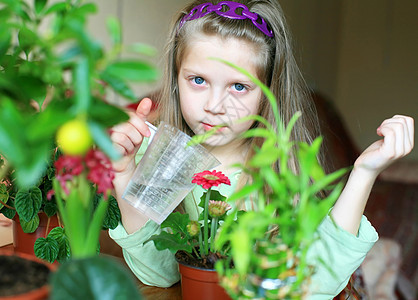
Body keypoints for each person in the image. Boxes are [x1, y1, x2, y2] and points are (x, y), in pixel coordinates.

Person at [109, 1, 414, 298]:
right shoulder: (157, 154)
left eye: (238, 87)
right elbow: (159, 273)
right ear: (176, 80)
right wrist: (124, 174)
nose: (215, 107)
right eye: (198, 80)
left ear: (267, 94)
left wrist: (365, 171)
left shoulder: (278, 171)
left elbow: (317, 283)